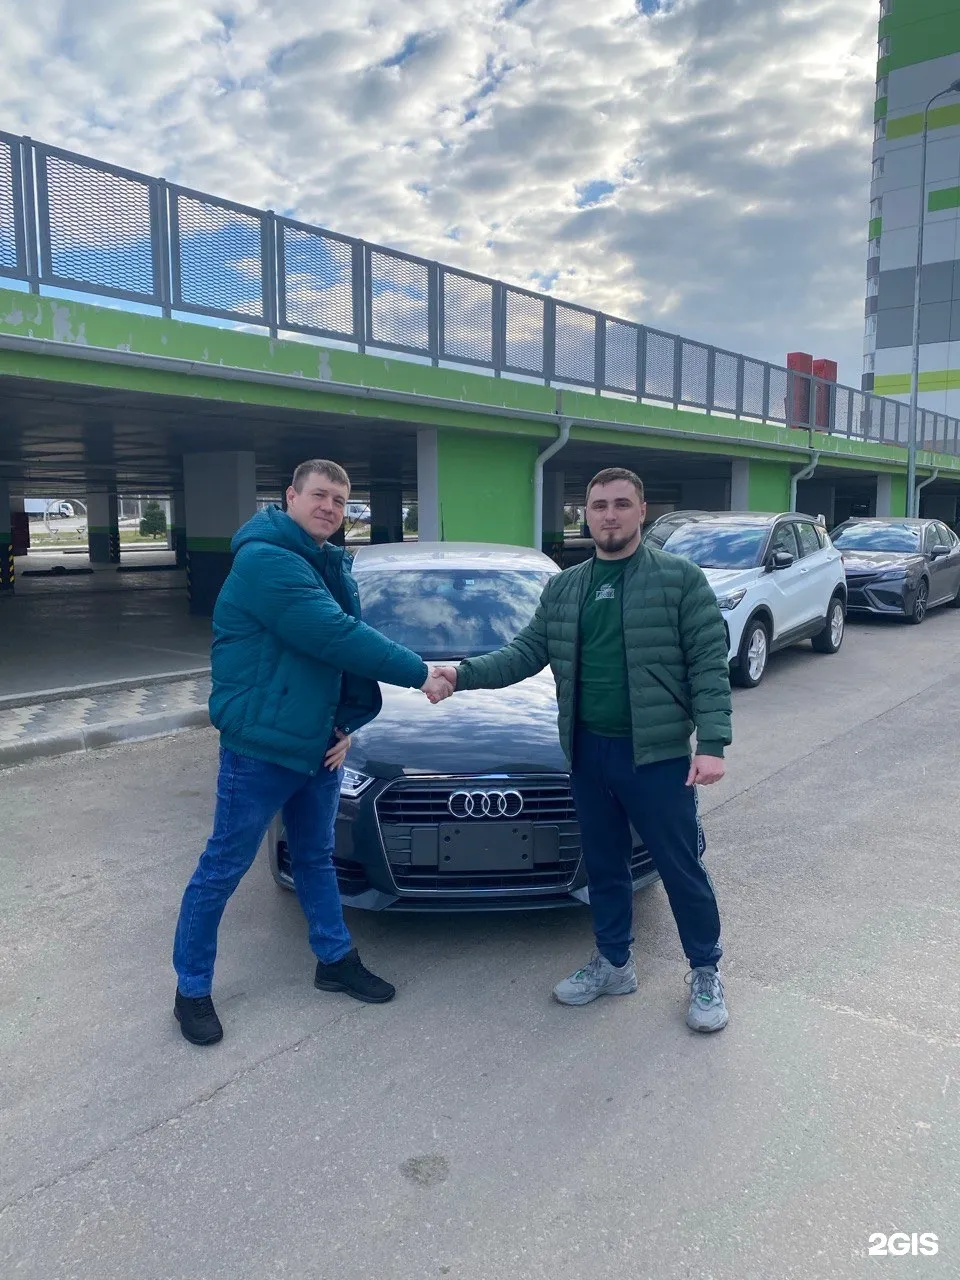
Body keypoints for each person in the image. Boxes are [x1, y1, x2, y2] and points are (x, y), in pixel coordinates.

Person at [432, 468, 733, 1032]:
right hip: (588, 753)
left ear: (642, 510)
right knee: (604, 866)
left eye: (621, 504)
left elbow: (708, 666)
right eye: (598, 506)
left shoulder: (680, 580)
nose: (609, 515)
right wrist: (461, 673)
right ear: (585, 515)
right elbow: (524, 654)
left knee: (680, 867)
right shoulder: (566, 587)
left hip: (657, 756)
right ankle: (614, 964)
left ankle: (705, 970)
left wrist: (712, 743)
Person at [172, 459, 451, 1047]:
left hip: (319, 746)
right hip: (261, 749)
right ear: (291, 497)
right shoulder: (266, 562)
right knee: (222, 868)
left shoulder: (326, 561)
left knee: (315, 859)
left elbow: (333, 659)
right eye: (320, 495)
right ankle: (191, 990)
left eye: (340, 501)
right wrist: (421, 673)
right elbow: (335, 635)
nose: (330, 508)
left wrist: (346, 723)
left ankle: (334, 960)